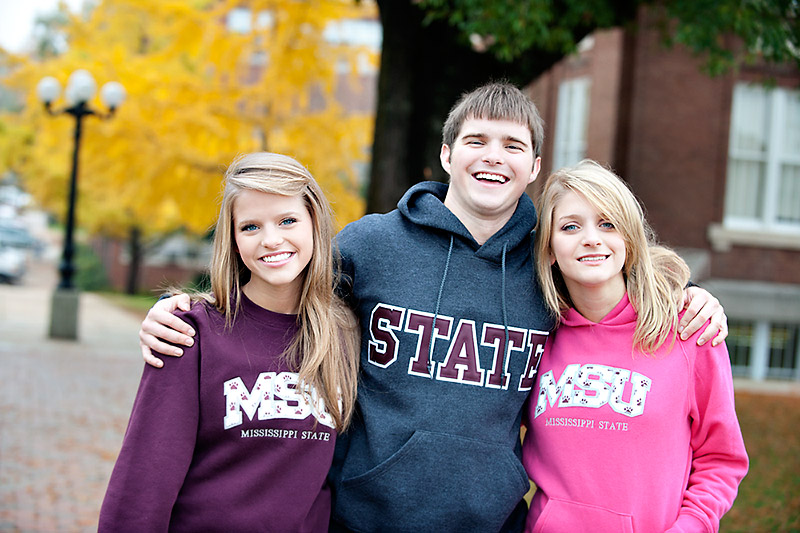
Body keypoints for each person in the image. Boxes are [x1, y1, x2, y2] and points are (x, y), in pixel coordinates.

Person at [137, 83, 729, 531]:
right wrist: (196, 307)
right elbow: (289, 290)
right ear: (447, 155)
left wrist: (691, 300)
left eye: (513, 145)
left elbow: (612, 298)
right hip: (362, 516)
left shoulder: (547, 268)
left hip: (489, 521)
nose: (492, 156)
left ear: (534, 167)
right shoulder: (373, 245)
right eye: (476, 141)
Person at [99, 152, 360, 532]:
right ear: (234, 240)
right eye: (250, 227)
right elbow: (143, 482)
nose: (271, 240)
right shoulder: (192, 333)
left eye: (288, 220)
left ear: (315, 224)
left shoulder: (345, 336)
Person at [523, 160, 748, 532]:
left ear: (628, 239)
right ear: (549, 249)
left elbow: (721, 458)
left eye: (607, 223)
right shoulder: (535, 337)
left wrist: (690, 527)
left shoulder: (689, 330)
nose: (591, 238)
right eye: (570, 226)